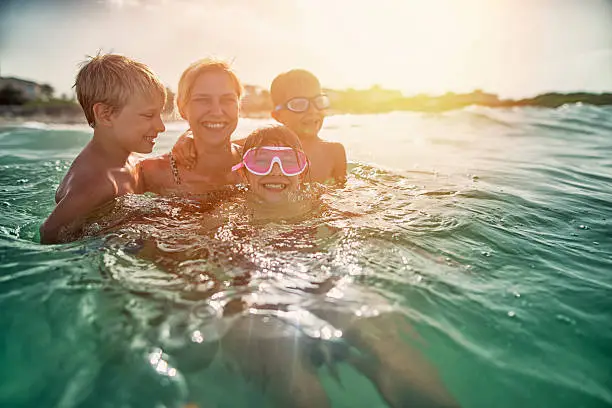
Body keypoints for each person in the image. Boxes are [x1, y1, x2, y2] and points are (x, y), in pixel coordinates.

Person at [39, 53, 166, 244]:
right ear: (105, 115)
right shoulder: (96, 183)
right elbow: (49, 232)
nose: (161, 126)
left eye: (160, 114)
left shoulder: (128, 158)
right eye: (149, 115)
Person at [171, 69, 347, 184]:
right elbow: (219, 145)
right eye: (299, 104)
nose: (312, 111)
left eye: (319, 101)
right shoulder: (254, 149)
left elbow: (342, 195)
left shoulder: (334, 152)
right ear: (277, 115)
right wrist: (190, 137)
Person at [136, 58, 243, 195]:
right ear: (182, 108)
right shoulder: (150, 174)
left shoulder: (262, 166)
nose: (217, 112)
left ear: (239, 106)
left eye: (227, 100)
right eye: (203, 100)